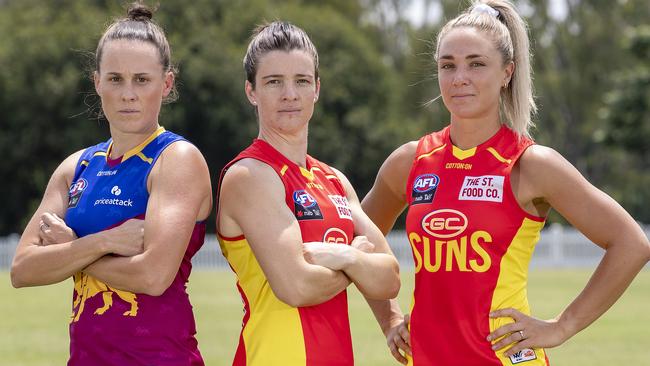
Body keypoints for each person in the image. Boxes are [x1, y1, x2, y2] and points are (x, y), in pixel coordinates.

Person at [361, 1, 650, 365]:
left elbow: (631, 243)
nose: (459, 77)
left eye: (476, 64)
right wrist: (388, 318)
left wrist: (562, 326)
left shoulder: (530, 164)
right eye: (447, 65)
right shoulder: (410, 162)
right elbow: (361, 241)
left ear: (507, 72)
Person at [10, 3, 212, 365]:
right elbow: (23, 269)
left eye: (142, 79)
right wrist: (101, 243)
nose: (127, 94)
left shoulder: (176, 159)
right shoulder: (77, 166)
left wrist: (72, 249)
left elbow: (153, 276)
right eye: (115, 78)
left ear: (166, 84)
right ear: (97, 82)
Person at [216, 21, 400, 366]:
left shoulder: (335, 180)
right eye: (274, 82)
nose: (290, 94)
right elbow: (296, 287)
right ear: (251, 92)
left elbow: (389, 277)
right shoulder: (249, 175)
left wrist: (345, 258)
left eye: (301, 81)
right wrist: (357, 260)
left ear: (316, 88)